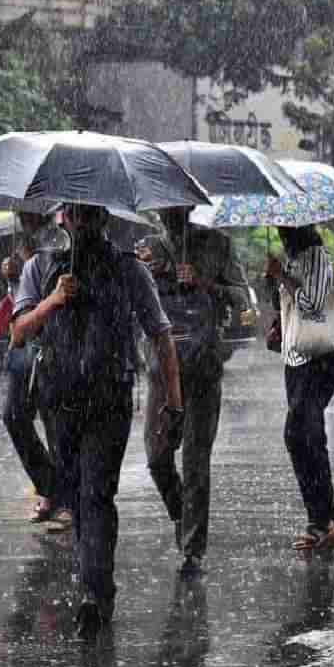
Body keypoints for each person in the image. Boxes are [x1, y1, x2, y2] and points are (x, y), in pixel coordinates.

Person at [12, 203, 183, 634]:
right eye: (75, 216)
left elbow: (160, 334)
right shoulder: (40, 268)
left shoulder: (129, 270)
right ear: (62, 219)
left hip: (110, 401)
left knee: (97, 494)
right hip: (60, 402)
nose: (82, 224)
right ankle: (91, 581)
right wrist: (54, 300)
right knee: (74, 495)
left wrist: (174, 401)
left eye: (90, 216)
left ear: (103, 220)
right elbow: (19, 332)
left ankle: (95, 591)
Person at [143, 207, 250, 577]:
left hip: (203, 365)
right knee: (157, 458)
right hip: (161, 369)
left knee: (195, 462)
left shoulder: (217, 245)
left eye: (175, 208)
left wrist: (206, 283)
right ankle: (181, 515)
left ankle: (192, 549)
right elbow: (132, 305)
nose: (167, 216)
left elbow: (245, 303)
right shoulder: (148, 250)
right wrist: (148, 278)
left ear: (187, 207)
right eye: (163, 210)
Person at [263, 225, 334, 551]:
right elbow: (284, 305)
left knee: (304, 436)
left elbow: (312, 305)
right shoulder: (295, 259)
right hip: (296, 359)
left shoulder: (317, 258)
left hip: (320, 358)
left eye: (286, 231)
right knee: (302, 437)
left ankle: (324, 521)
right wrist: (275, 277)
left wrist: (282, 275)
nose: (282, 236)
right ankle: (325, 520)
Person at [0, 216, 65, 525]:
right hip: (22, 347)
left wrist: (29, 269)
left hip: (52, 344)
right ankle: (49, 485)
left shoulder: (59, 240)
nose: (22, 215)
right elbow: (13, 300)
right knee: (14, 416)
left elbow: (62, 293)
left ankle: (62, 499)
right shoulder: (18, 243)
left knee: (55, 422)